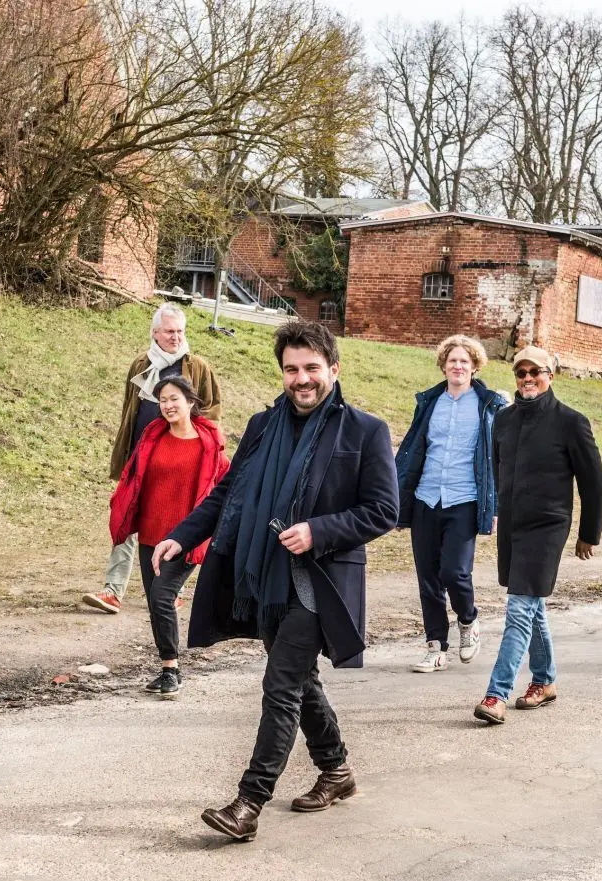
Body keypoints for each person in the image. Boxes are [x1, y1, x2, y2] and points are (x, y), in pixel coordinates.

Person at [151, 320, 398, 842]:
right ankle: (336, 770)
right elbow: (228, 492)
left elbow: (383, 510)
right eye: (291, 369)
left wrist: (319, 530)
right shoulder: (263, 426)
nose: (301, 379)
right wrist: (182, 533)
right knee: (300, 679)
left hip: (319, 580)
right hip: (263, 574)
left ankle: (249, 802)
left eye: (311, 368)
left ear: (334, 368)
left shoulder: (364, 431)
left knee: (280, 685)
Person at [474, 346, 602, 724]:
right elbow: (498, 471)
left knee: (518, 608)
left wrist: (589, 532)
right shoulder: (504, 419)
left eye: (536, 371)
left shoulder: (571, 422)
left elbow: (594, 481)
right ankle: (545, 681)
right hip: (513, 525)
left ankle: (496, 694)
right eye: (521, 372)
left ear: (550, 375)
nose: (528, 378)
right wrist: (496, 512)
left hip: (548, 526)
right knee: (532, 606)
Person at [82, 304, 222, 614]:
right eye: (169, 331)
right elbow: (129, 413)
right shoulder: (140, 365)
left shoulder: (198, 367)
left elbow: (212, 412)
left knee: (178, 523)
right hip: (141, 460)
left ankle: (171, 589)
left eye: (180, 331)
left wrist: (189, 437)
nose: (175, 337)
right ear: (155, 333)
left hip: (181, 462)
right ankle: (113, 590)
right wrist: (126, 454)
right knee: (126, 517)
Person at [108, 375, 230, 698]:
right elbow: (134, 479)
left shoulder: (209, 443)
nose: (168, 405)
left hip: (185, 537)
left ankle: (171, 669)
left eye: (174, 398)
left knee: (162, 596)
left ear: (190, 402)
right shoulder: (153, 436)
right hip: (150, 533)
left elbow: (225, 486)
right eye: (162, 400)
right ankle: (167, 666)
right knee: (155, 600)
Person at [394, 335, 508, 672]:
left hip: (465, 499)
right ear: (443, 365)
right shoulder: (430, 402)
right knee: (428, 577)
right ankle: (435, 647)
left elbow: (498, 459)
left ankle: (469, 620)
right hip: (426, 497)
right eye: (452, 360)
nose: (458, 366)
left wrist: (496, 505)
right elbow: (414, 449)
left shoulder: (489, 405)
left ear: (475, 367)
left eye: (464, 361)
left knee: (454, 571)